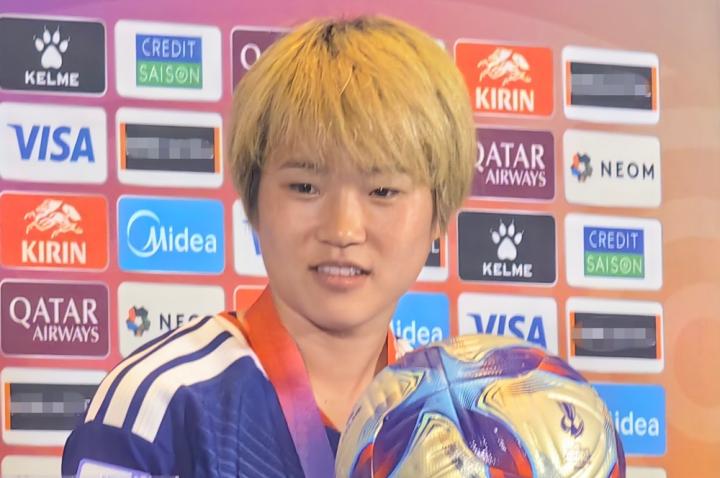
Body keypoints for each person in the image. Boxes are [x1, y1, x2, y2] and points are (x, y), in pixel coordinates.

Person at [62, 15, 475, 477]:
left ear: (439, 214)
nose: (342, 230)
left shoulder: (463, 428)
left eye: (382, 191)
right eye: (305, 187)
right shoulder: (161, 407)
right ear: (254, 200)